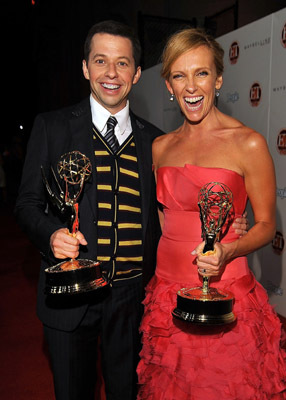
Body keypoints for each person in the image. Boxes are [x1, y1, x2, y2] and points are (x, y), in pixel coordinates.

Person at [15, 21, 248, 400]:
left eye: (122, 63)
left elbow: (179, 206)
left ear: (137, 74)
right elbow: (25, 204)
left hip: (132, 301)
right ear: (85, 68)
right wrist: (50, 234)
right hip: (70, 296)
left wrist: (232, 224)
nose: (111, 73)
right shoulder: (51, 127)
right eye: (101, 61)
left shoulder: (156, 141)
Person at [137, 28, 286, 400]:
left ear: (219, 79)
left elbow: (267, 226)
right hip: (166, 292)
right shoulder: (160, 147)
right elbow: (165, 219)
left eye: (201, 73)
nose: (191, 86)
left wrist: (229, 249)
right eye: (179, 75)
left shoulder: (248, 143)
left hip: (225, 290)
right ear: (168, 85)